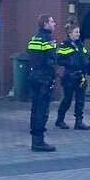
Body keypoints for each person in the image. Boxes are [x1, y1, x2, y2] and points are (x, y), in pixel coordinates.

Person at [27, 13, 58, 152]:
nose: (54, 24)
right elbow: (51, 60)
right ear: (45, 23)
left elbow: (30, 56)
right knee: (42, 110)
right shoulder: (48, 40)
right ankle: (39, 142)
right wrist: (54, 74)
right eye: (52, 22)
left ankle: (35, 139)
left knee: (35, 109)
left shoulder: (34, 38)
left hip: (34, 77)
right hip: (44, 79)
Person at [55, 21, 90, 131]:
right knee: (67, 99)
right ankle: (60, 120)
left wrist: (87, 63)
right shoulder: (64, 45)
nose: (78, 34)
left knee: (80, 100)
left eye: (79, 32)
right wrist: (70, 63)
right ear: (70, 33)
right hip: (69, 76)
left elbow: (85, 56)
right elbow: (59, 60)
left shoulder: (80, 45)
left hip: (81, 76)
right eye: (76, 32)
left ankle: (79, 122)